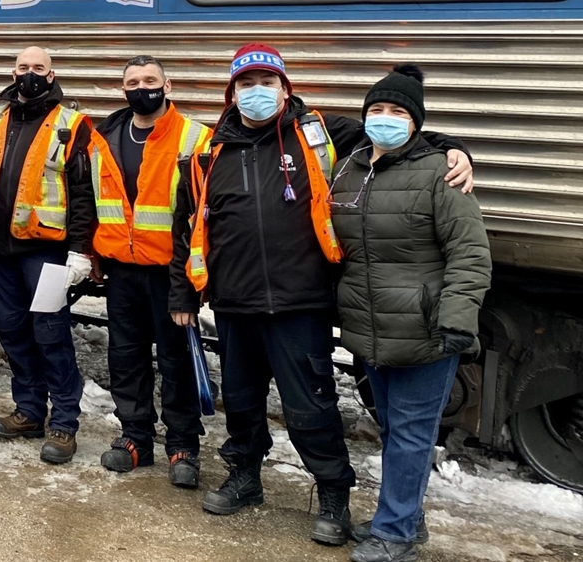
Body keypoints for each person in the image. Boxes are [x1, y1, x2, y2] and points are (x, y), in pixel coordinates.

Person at [167, 43, 474, 545]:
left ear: (286, 88)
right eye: (247, 84)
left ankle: (333, 493)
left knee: (311, 408)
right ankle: (245, 477)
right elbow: (188, 230)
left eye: (268, 83)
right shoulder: (208, 154)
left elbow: (398, 135)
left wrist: (457, 147)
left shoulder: (321, 133)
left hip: (301, 303)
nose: (258, 92)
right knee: (241, 405)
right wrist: (183, 295)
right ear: (231, 93)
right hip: (234, 304)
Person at [331, 66, 490, 562]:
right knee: (393, 429)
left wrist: (457, 321)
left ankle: (395, 533)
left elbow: (470, 253)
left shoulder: (442, 172)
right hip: (370, 328)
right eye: (376, 110)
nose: (385, 119)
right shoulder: (349, 165)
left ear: (416, 123)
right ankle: (406, 518)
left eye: (398, 112)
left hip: (425, 329)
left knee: (412, 434)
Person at [0, 46, 94, 465]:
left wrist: (80, 250)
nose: (30, 74)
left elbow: (83, 194)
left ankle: (64, 423)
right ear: (12, 71)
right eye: (23, 67)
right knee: (14, 333)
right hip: (2, 253)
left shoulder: (71, 125)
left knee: (51, 334)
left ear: (52, 73)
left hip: (49, 254)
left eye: (38, 68)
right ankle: (29, 411)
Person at [91, 55, 212, 485]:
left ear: (168, 85)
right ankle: (135, 438)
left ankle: (183, 445)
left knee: (176, 361)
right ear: (121, 88)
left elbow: (199, 217)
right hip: (121, 271)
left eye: (150, 80)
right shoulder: (103, 136)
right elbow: (93, 201)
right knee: (126, 358)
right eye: (132, 81)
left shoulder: (195, 138)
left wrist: (189, 284)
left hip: (170, 273)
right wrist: (93, 256)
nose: (141, 87)